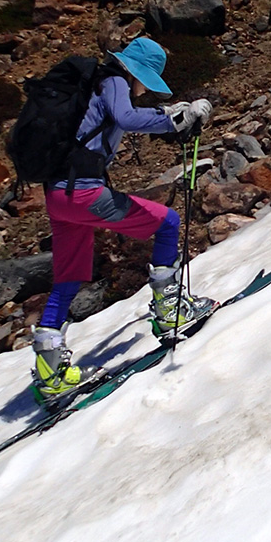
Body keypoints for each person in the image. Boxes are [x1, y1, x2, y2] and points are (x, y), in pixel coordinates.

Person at [30, 36, 215, 398]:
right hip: (83, 193)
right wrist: (175, 119)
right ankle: (171, 311)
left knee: (68, 279)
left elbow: (118, 118)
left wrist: (169, 114)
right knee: (167, 223)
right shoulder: (114, 80)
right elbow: (127, 118)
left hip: (58, 195)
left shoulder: (93, 86)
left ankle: (50, 371)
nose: (146, 89)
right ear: (137, 72)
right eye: (147, 81)